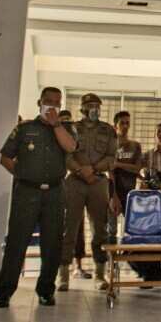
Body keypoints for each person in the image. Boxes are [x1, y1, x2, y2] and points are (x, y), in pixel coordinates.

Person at [0, 87, 79, 308]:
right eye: (48, 101)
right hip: (26, 192)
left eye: (56, 102)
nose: (52, 105)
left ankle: (45, 292)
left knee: (52, 245)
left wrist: (57, 125)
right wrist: (22, 175)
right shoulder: (24, 129)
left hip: (54, 192)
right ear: (39, 102)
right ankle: (4, 293)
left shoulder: (66, 129)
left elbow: (71, 147)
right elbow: (5, 158)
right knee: (16, 242)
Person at [61, 93, 118, 291]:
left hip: (98, 182)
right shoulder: (72, 128)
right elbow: (66, 155)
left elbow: (112, 157)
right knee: (69, 228)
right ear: (83, 108)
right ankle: (63, 276)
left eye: (97, 105)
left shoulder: (108, 130)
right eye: (90, 105)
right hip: (75, 182)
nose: (95, 108)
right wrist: (80, 170)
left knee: (99, 230)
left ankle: (100, 275)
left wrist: (92, 170)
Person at [110, 110, 144, 237]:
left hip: (130, 192)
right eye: (122, 123)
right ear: (115, 126)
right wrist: (113, 196)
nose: (125, 126)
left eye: (127, 123)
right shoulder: (111, 146)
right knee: (111, 230)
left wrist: (118, 164)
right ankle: (110, 257)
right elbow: (110, 172)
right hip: (113, 192)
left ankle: (129, 256)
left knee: (132, 229)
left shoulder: (135, 146)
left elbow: (137, 168)